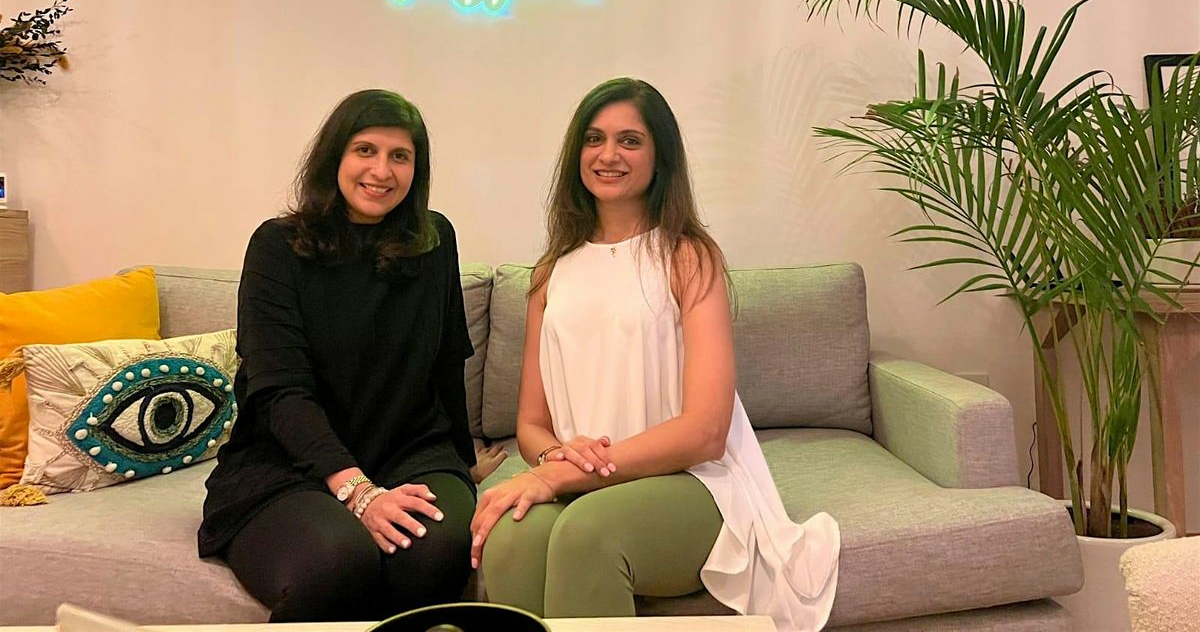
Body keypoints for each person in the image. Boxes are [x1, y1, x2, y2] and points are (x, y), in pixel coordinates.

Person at [470, 78, 841, 631]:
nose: (608, 154)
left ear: (659, 156)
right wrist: (554, 458)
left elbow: (705, 432)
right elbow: (530, 425)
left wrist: (562, 476)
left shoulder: (689, 258)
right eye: (594, 139)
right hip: (581, 482)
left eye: (630, 140)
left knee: (588, 534)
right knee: (510, 540)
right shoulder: (550, 275)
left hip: (694, 482)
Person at [198, 89, 503, 621]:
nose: (381, 171)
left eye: (399, 156)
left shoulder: (434, 239)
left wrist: (461, 463)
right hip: (289, 464)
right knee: (339, 562)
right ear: (334, 156)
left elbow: (446, 362)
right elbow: (279, 390)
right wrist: (357, 490)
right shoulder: (277, 246)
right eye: (365, 150)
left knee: (432, 552)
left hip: (411, 451)